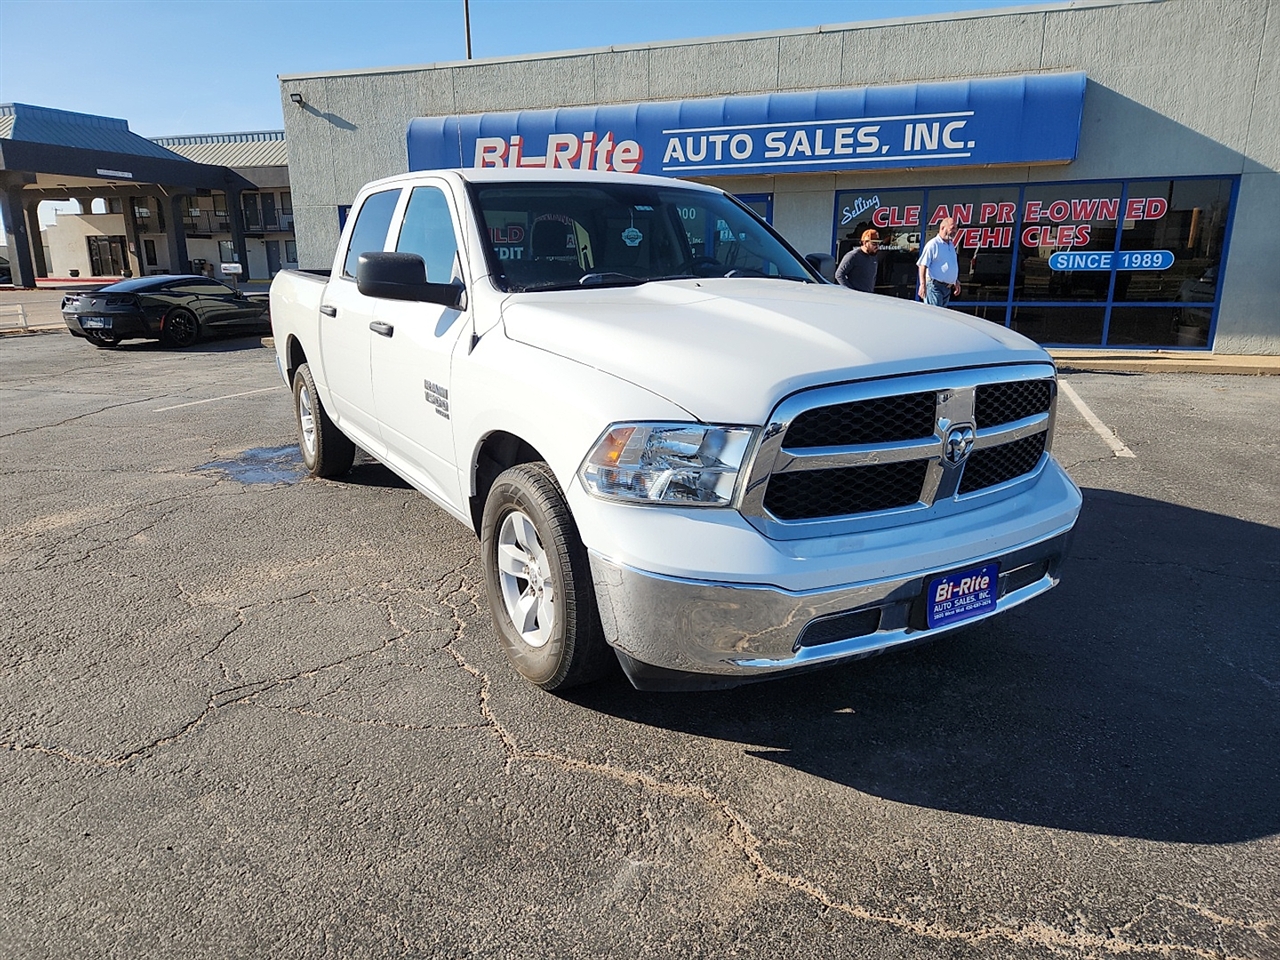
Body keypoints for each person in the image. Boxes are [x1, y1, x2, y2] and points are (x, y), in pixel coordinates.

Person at [917, 218, 962, 307]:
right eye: (952, 228)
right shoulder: (933, 244)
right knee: (934, 316)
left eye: (956, 229)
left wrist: (955, 281)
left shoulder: (951, 245)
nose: (955, 231)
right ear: (942, 228)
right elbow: (922, 265)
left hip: (947, 288)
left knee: (940, 316)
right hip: (934, 287)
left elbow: (949, 265)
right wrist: (922, 285)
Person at [834, 228, 881, 293]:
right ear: (865, 243)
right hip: (856, 297)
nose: (877, 246)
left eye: (878, 243)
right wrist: (851, 291)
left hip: (869, 295)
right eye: (874, 243)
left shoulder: (874, 257)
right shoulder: (853, 255)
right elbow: (839, 274)